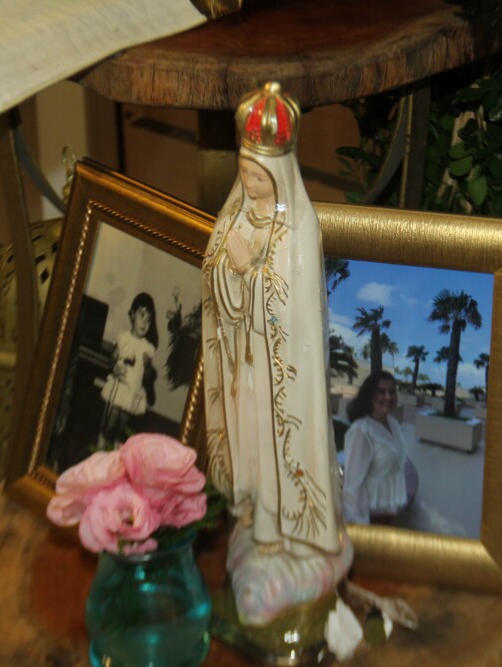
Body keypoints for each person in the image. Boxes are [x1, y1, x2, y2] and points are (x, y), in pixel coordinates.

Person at [201, 82, 351, 626]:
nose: (249, 184)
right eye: (244, 173)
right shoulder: (236, 216)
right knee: (249, 444)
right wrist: (228, 268)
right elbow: (215, 269)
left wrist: (249, 271)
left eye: (259, 177)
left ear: (281, 175)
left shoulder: (299, 227)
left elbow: (294, 306)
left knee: (273, 443)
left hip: (279, 376)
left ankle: (282, 529)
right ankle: (252, 514)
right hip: (244, 365)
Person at [342, 371, 411, 525]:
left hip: (389, 512)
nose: (388, 397)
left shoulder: (392, 423)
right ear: (369, 395)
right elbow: (352, 486)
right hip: (369, 517)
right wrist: (358, 528)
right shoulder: (362, 431)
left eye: (392, 392)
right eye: (381, 392)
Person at [98, 292, 158, 448]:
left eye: (148, 319)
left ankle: (117, 452)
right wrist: (114, 367)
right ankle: (100, 448)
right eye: (141, 315)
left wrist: (147, 366)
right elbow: (112, 359)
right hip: (119, 388)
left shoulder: (147, 348)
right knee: (109, 424)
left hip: (132, 392)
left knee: (122, 429)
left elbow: (148, 375)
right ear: (132, 315)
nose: (144, 322)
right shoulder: (123, 338)